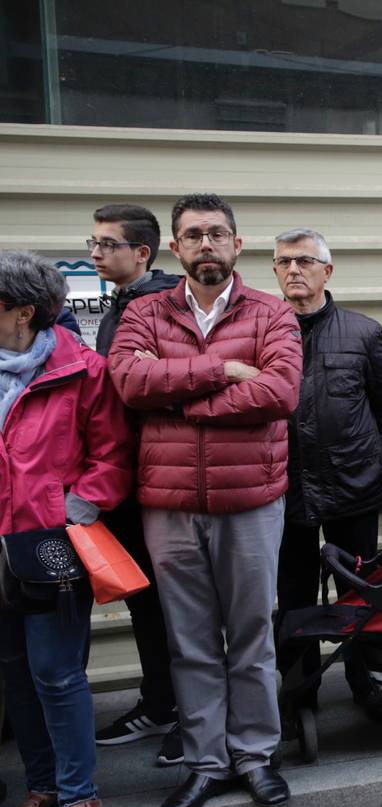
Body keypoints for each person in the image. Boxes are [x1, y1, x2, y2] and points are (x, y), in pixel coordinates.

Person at [108, 193, 302, 807]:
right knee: (189, 641)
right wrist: (222, 369)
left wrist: (179, 394)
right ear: (175, 246)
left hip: (250, 501)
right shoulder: (143, 311)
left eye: (218, 234)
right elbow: (129, 383)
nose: (206, 245)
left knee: (250, 636)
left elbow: (278, 391)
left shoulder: (272, 312)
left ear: (237, 245)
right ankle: (205, 763)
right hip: (168, 503)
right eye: (193, 235)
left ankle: (254, 756)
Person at [0, 251, 134, 807]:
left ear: (23, 312)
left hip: (47, 539)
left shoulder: (83, 369)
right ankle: (43, 790)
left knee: (56, 672)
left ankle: (81, 799)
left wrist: (77, 506)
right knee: (16, 675)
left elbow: (112, 455)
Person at [270, 228, 382, 720]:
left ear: (328, 270)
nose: (293, 270)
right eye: (283, 262)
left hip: (353, 486)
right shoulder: (264, 329)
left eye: (304, 260)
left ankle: (367, 681)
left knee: (360, 590)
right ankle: (300, 693)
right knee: (295, 595)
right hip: (286, 487)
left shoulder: (363, 332)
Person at [85, 204, 185, 767]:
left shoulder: (161, 307)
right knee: (145, 601)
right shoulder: (120, 304)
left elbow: (155, 390)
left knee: (179, 606)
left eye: (106, 244)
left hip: (158, 475)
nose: (95, 254)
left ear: (142, 252)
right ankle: (160, 701)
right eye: (93, 243)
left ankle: (189, 714)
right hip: (120, 476)